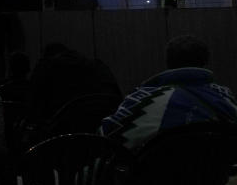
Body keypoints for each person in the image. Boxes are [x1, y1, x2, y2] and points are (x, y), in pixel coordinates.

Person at [101, 35, 237, 149]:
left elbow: (105, 137)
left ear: (168, 62)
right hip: (211, 178)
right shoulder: (224, 97)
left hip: (151, 179)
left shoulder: (138, 100)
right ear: (206, 61)